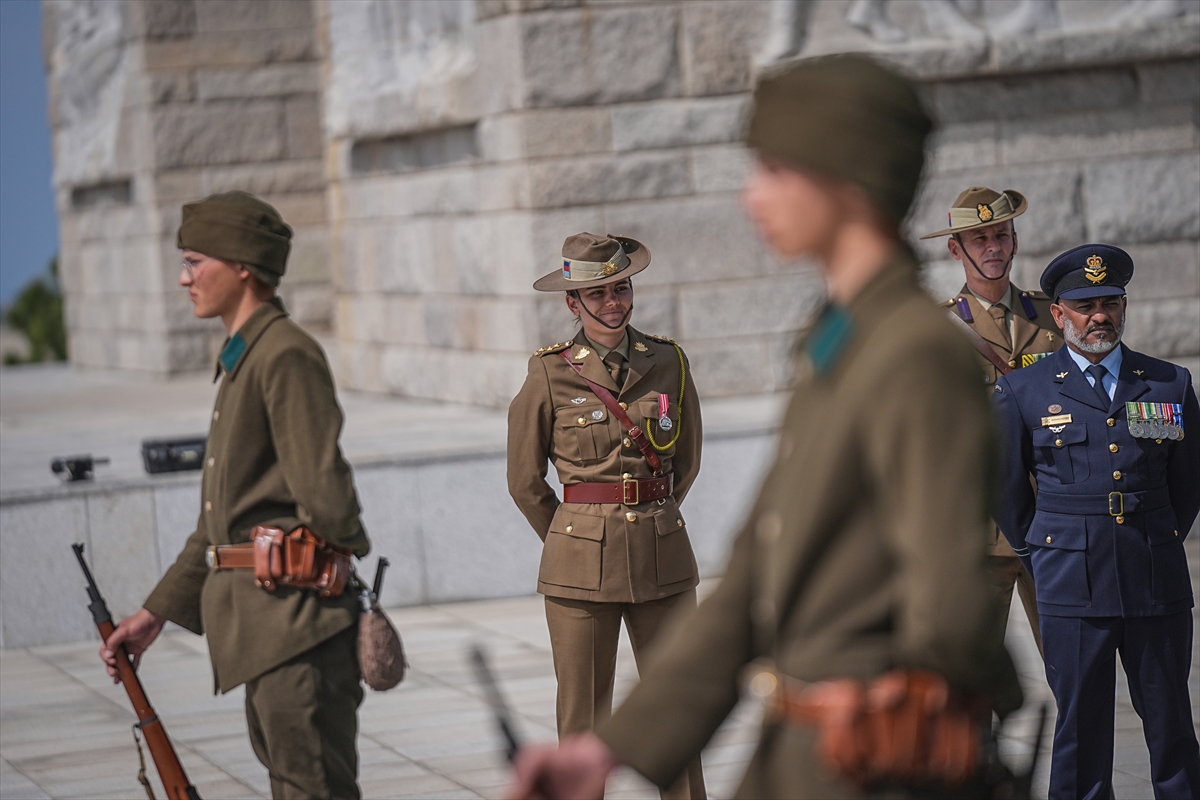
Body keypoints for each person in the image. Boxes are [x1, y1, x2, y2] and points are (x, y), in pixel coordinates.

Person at [507, 54, 1021, 800]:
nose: (752, 196)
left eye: (775, 169)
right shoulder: (841, 337)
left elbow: (950, 606)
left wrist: (892, 701)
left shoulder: (913, 352)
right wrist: (609, 751)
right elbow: (758, 571)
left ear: (847, 181)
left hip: (865, 763)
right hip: (806, 751)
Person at [99, 191, 371, 800]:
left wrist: (338, 557)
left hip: (297, 624)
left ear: (242, 264)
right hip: (267, 631)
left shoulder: (284, 354)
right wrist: (154, 615)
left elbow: (325, 495)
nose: (183, 277)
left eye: (195, 261)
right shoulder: (245, 357)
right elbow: (218, 524)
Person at [992, 244, 1200, 800]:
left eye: (1110, 303)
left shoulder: (1167, 384)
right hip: (1070, 582)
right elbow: (1006, 488)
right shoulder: (1023, 391)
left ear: (1124, 307)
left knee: (1172, 724)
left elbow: (1188, 482)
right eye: (1084, 307)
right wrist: (1044, 551)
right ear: (1059, 315)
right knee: (1080, 732)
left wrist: (1160, 536)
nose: (1098, 317)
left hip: (1154, 578)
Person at [507, 231, 706, 800]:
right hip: (579, 569)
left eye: (620, 288)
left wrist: (652, 516)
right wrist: (577, 538)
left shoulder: (668, 361)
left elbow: (684, 462)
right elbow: (524, 481)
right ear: (573, 303)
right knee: (583, 719)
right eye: (598, 294)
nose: (613, 302)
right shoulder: (550, 373)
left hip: (663, 557)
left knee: (676, 708)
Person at [920, 185, 1063, 654]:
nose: (993, 248)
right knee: (972, 680)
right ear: (955, 249)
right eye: (979, 239)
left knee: (1074, 669)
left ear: (1016, 241)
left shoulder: (1053, 318)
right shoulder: (940, 332)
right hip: (980, 531)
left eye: (1001, 235)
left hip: (1054, 522)